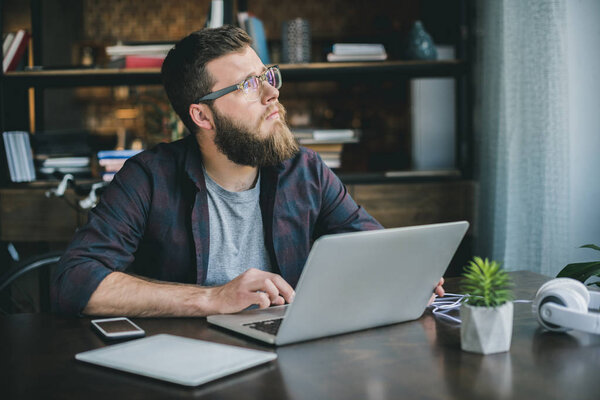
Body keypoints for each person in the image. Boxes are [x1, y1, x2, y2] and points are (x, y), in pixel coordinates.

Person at [51, 26, 444, 317]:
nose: (272, 93)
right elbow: (74, 282)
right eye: (248, 85)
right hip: (186, 363)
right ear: (202, 115)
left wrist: (406, 274)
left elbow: (373, 249)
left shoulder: (304, 170)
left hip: (291, 357)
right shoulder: (148, 178)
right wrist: (212, 298)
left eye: (268, 77)